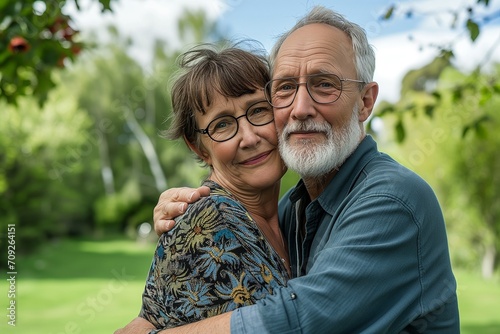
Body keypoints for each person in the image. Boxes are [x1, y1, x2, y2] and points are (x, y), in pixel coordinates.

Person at [117, 6, 460, 334]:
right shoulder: (289, 212)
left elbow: (303, 320)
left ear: (365, 102)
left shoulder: (391, 199)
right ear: (197, 146)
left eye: (325, 84)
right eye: (285, 88)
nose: (300, 108)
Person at [114, 44, 290, 333]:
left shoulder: (293, 214)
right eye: (222, 125)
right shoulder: (211, 223)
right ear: (198, 147)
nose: (248, 137)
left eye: (258, 110)